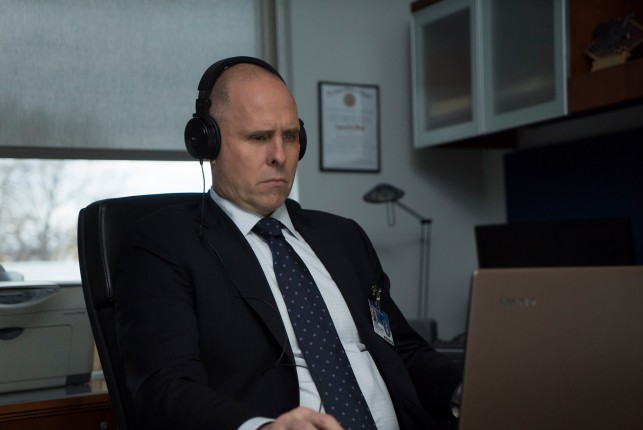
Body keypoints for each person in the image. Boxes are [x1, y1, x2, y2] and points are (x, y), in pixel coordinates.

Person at [115, 56, 461, 430]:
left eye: (291, 137)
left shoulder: (343, 236)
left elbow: (402, 350)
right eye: (259, 137)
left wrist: (462, 388)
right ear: (208, 143)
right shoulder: (163, 245)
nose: (279, 156)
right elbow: (164, 387)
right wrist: (264, 428)